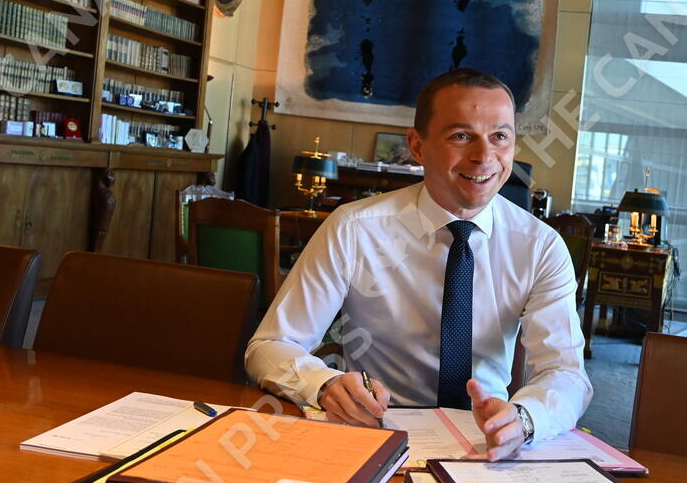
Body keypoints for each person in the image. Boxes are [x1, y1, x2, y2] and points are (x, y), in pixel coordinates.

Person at [245, 68, 592, 460]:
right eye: (461, 136)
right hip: (376, 432)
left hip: (488, 442)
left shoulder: (540, 246)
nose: (483, 156)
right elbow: (270, 345)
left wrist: (524, 420)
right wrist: (324, 385)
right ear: (417, 145)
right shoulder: (355, 228)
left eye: (500, 136)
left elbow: (566, 373)